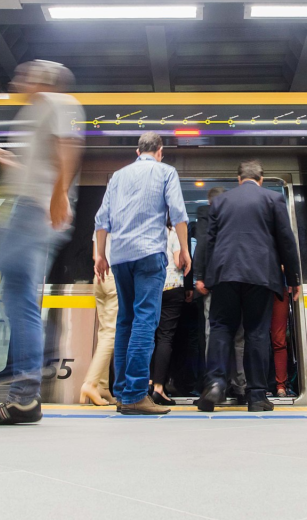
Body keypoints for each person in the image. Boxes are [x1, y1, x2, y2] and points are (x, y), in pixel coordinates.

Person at [0, 60, 84, 425]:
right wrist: (3, 158)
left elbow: (68, 146)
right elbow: (39, 165)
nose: (16, 78)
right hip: (29, 207)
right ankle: (24, 396)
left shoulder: (56, 102)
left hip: (35, 211)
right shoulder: (34, 111)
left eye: (26, 73)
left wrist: (59, 194)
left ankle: (20, 380)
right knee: (19, 299)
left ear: (46, 79)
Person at [94, 131, 190, 415]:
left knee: (125, 321)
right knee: (145, 321)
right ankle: (136, 394)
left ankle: (124, 392)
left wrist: (100, 255)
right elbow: (178, 212)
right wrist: (184, 249)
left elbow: (102, 219)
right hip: (149, 253)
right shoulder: (166, 171)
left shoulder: (118, 176)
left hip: (120, 257)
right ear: (160, 151)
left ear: (138, 151)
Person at [197, 160, 301, 413]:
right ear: (261, 178)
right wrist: (294, 279)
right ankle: (256, 396)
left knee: (221, 327)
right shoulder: (272, 200)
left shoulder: (221, 202)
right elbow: (286, 240)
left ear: (238, 179)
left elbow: (207, 242)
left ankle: (215, 385)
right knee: (256, 332)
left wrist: (201, 276)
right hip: (261, 275)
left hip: (225, 275)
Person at [194, 186, 247, 402]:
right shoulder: (237, 216)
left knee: (213, 333)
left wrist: (199, 276)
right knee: (239, 335)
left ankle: (214, 385)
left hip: (213, 282)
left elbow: (203, 244)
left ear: (209, 202)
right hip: (239, 280)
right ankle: (240, 385)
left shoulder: (206, 215)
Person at [149, 220, 192, 405]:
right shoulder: (174, 232)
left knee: (148, 334)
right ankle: (159, 387)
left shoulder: (148, 231)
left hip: (151, 286)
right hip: (172, 286)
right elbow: (177, 260)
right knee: (165, 337)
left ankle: (147, 384)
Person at [80, 234, 117, 406]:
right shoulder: (122, 215)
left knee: (104, 332)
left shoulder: (100, 219)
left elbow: (96, 255)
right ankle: (90, 383)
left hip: (99, 276)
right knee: (111, 333)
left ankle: (102, 387)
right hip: (114, 276)